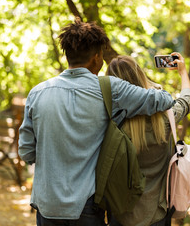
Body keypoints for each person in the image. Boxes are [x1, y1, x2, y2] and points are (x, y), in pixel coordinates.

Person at [18, 18, 175, 226]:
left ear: (67, 56)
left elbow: (26, 151)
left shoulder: (37, 93)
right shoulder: (110, 89)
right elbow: (164, 101)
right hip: (86, 208)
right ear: (97, 57)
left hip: (47, 206)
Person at [105, 53, 190, 226]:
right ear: (140, 76)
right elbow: (187, 100)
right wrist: (182, 72)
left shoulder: (111, 124)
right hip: (157, 215)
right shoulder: (165, 118)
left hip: (120, 216)